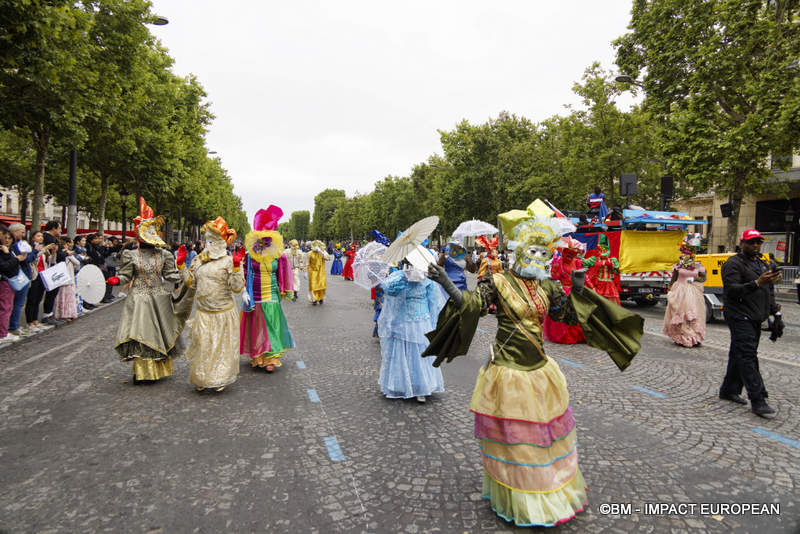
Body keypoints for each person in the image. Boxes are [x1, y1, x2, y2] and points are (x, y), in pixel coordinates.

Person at [423, 206, 643, 528]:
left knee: (542, 438)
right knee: (515, 440)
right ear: (522, 251)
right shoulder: (497, 282)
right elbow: (475, 305)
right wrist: (448, 283)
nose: (538, 255)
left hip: (541, 371)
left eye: (543, 251)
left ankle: (546, 489)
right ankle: (520, 496)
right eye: (533, 249)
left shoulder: (548, 286)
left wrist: (578, 290)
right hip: (508, 372)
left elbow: (565, 316)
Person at [108, 198, 194, 383]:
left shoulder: (163, 255)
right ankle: (142, 371)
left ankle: (158, 369)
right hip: (138, 300)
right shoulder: (129, 254)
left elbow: (171, 276)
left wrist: (183, 269)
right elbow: (125, 276)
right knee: (141, 334)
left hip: (159, 299)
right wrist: (117, 279)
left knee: (159, 334)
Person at [718, 229, 782, 417]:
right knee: (747, 355)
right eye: (751, 242)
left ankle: (729, 389)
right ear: (742, 244)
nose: (755, 246)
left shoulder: (762, 264)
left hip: (755, 315)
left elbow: (768, 291)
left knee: (739, 352)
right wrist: (756, 283)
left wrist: (776, 314)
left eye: (758, 242)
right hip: (739, 315)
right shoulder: (733, 264)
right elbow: (731, 290)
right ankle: (758, 398)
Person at [179, 217, 245, 391]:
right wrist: (181, 266)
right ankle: (202, 377)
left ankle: (219, 378)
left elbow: (237, 288)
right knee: (203, 346)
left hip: (222, 313)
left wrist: (237, 268)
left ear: (222, 242)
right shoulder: (199, 261)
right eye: (207, 240)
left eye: (213, 240)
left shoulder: (229, 261)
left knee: (220, 348)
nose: (208, 244)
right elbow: (190, 283)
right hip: (203, 313)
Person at [377, 263, 446, 402]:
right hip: (402, 321)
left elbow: (434, 303)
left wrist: (434, 323)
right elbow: (388, 291)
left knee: (419, 352)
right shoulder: (398, 277)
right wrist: (403, 278)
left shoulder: (428, 279)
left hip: (421, 321)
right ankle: (400, 384)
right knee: (403, 351)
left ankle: (422, 386)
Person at [240, 206, 295, 372]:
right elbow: (244, 272)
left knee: (270, 323)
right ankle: (258, 355)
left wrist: (286, 290)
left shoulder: (279, 254)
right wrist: (244, 290)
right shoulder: (250, 254)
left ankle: (271, 356)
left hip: (271, 292)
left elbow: (284, 273)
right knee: (257, 326)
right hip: (254, 293)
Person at [662, 233, 707, 347]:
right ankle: (682, 336)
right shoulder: (679, 265)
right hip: (680, 290)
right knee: (680, 312)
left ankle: (694, 336)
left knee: (694, 314)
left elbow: (703, 278)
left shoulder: (698, 265)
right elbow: (674, 276)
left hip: (692, 291)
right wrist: (670, 287)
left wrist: (695, 278)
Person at [543, 236, 588, 344]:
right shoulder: (559, 262)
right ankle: (564, 334)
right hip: (563, 291)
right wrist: (554, 266)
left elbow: (584, 277)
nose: (570, 255)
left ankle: (579, 335)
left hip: (576, 291)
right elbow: (555, 277)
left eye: (573, 253)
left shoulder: (577, 262)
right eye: (568, 253)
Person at [8, 223, 37, 337]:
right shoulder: (15, 245)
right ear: (15, 232)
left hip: (20, 275)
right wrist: (34, 252)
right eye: (22, 232)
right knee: (17, 303)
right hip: (19, 276)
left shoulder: (16, 244)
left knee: (16, 303)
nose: (24, 234)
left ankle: (13, 326)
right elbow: (25, 259)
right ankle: (13, 326)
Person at [582, 234, 620, 304]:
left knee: (610, 304)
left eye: (604, 249)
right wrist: (578, 256)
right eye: (600, 249)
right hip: (597, 284)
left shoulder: (613, 260)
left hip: (609, 285)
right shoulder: (594, 259)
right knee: (598, 302)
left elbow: (617, 272)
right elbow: (584, 263)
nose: (602, 251)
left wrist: (613, 266)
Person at [0, 226, 23, 342]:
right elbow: (6, 266)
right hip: (5, 281)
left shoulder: (10, 250)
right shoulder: (4, 251)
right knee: (5, 308)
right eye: (5, 238)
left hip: (9, 281)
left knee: (7, 307)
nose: (7, 240)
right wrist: (16, 259)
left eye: (10, 238)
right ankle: (3, 333)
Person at [24, 231, 50, 330]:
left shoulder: (42, 248)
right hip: (34, 275)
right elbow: (31, 259)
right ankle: (29, 322)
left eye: (42, 236)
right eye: (38, 236)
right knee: (32, 299)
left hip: (43, 275)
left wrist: (51, 252)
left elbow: (49, 261)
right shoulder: (30, 248)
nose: (41, 238)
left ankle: (35, 320)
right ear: (33, 238)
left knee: (38, 299)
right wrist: (42, 250)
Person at [40, 220, 64, 325]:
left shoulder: (52, 238)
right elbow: (53, 253)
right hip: (50, 268)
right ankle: (47, 315)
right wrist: (64, 253)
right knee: (51, 292)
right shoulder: (49, 238)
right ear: (53, 228)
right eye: (59, 228)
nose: (60, 230)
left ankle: (49, 314)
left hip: (53, 267)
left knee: (52, 293)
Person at [53, 238, 80, 322]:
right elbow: (77, 263)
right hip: (68, 277)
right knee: (68, 297)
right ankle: (67, 314)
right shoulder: (67, 254)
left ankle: (58, 313)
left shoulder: (57, 254)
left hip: (60, 278)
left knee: (59, 297)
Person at [307, 240, 329, 304]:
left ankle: (321, 298)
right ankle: (314, 299)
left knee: (321, 285)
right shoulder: (310, 253)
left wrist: (321, 252)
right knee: (314, 285)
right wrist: (306, 272)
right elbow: (307, 263)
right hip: (313, 271)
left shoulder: (322, 252)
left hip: (321, 271)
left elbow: (328, 258)